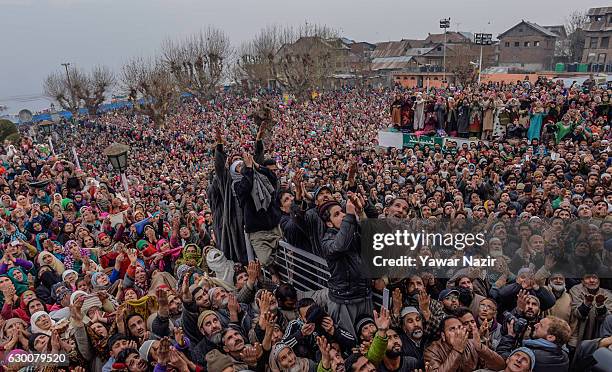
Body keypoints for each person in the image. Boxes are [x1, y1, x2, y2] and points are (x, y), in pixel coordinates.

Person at [423, 316, 505, 372]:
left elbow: (501, 366)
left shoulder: (471, 343)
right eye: (452, 329)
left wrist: (481, 348)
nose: (458, 332)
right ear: (443, 336)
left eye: (460, 327)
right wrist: (457, 350)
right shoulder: (432, 351)